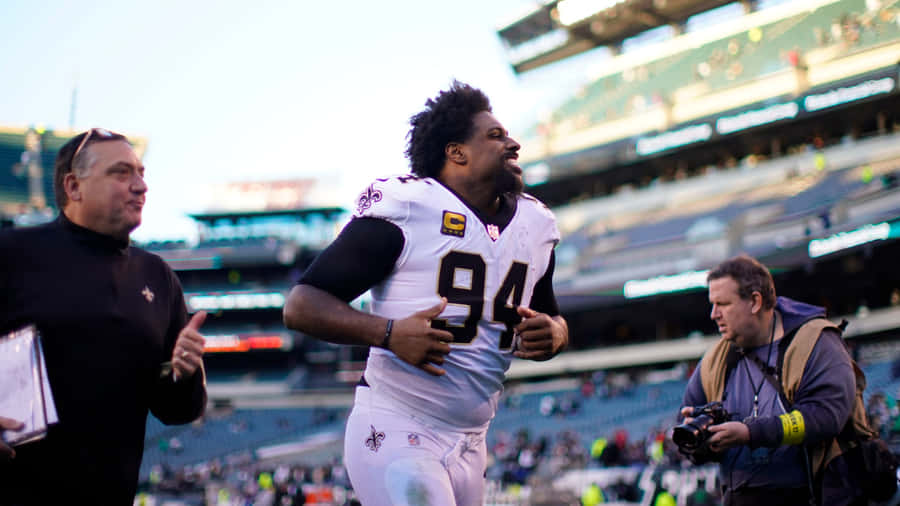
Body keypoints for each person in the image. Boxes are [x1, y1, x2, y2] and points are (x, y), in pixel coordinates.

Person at [283, 81, 568, 505]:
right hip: (397, 422)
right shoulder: (410, 207)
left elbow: (551, 315)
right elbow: (302, 305)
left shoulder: (535, 224)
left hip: (473, 441)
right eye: (496, 135)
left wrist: (557, 333)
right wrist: (388, 333)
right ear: (456, 153)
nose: (514, 144)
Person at [0, 128, 208, 504]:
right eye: (121, 173)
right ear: (74, 186)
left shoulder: (157, 277)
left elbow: (178, 411)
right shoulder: (12, 254)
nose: (141, 186)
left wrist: (184, 373)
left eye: (141, 173)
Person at [679, 255, 856, 505]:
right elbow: (685, 429)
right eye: (712, 304)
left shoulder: (815, 342)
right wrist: (700, 444)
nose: (713, 314)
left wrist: (750, 433)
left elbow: (827, 416)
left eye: (723, 304)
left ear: (754, 301)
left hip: (810, 495)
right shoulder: (715, 359)